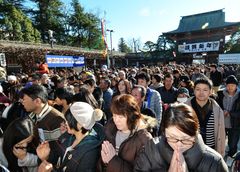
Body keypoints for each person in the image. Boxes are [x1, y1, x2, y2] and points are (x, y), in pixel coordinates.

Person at [134, 103, 228, 172]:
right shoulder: (151, 150)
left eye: (186, 139)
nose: (179, 144)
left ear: (195, 134)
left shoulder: (214, 161)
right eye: (172, 138)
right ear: (164, 132)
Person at [37, 102, 104, 172]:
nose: (65, 123)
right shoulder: (68, 135)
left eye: (68, 120)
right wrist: (45, 157)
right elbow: (57, 155)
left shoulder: (90, 153)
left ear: (80, 124)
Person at [98, 94, 153, 172]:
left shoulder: (143, 139)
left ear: (131, 116)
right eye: (114, 115)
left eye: (121, 117)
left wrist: (113, 161)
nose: (116, 120)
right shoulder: (110, 128)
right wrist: (103, 163)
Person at [20, 85, 65, 165]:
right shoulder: (33, 115)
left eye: (24, 99)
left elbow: (60, 151)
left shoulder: (56, 119)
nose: (22, 102)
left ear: (37, 101)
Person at [185, 77, 225, 156]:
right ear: (194, 91)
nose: (201, 92)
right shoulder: (185, 108)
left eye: (205, 90)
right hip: (190, 150)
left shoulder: (217, 110)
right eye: (198, 89)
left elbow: (221, 134)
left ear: (210, 92)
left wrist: (220, 153)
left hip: (211, 150)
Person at [216, 75, 240, 165]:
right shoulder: (220, 94)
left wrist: (230, 113)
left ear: (236, 86)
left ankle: (230, 157)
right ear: (226, 85)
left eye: (233, 85)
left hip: (235, 124)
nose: (230, 87)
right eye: (228, 85)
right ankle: (218, 158)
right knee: (219, 141)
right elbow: (216, 107)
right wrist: (222, 111)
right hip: (221, 123)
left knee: (233, 143)